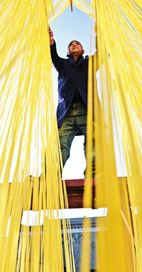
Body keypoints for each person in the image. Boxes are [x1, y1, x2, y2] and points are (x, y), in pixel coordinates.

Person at [49, 26, 101, 178]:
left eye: (77, 43)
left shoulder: (90, 62)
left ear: (83, 50)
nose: (74, 45)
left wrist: (100, 33)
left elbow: (102, 52)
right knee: (60, 144)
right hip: (66, 111)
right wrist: (51, 41)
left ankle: (94, 173)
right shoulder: (62, 64)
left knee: (94, 141)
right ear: (68, 51)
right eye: (71, 44)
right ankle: (50, 175)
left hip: (88, 109)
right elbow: (53, 56)